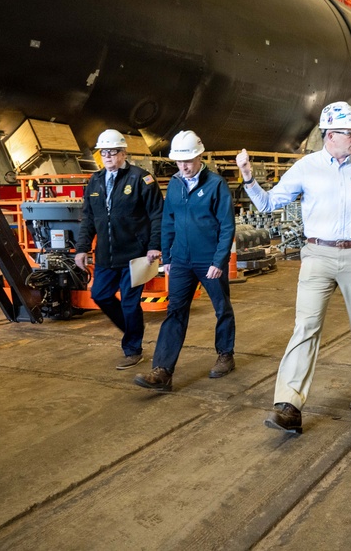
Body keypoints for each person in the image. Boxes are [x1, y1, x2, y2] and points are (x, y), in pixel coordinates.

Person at [236, 101, 351, 434]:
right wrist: (249, 178)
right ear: (330, 135)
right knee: (305, 326)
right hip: (317, 254)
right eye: (350, 133)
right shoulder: (306, 168)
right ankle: (289, 403)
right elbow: (268, 203)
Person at [134, 131, 237, 393]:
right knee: (175, 312)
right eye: (179, 162)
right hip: (180, 260)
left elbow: (227, 226)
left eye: (188, 161)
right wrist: (167, 257)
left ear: (200, 156)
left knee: (221, 307)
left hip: (208, 261)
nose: (184, 167)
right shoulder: (176, 185)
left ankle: (225, 353)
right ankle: (163, 371)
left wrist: (219, 260)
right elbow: (168, 221)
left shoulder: (215, 185)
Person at [75, 129, 163, 369]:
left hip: (134, 256)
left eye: (113, 152)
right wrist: (82, 248)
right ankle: (133, 328)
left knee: (129, 302)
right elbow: (89, 218)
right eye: (104, 152)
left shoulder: (141, 179)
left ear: (124, 153)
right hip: (105, 256)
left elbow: (157, 215)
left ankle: (133, 349)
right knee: (100, 295)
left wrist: (154, 246)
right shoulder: (95, 181)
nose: (108, 157)